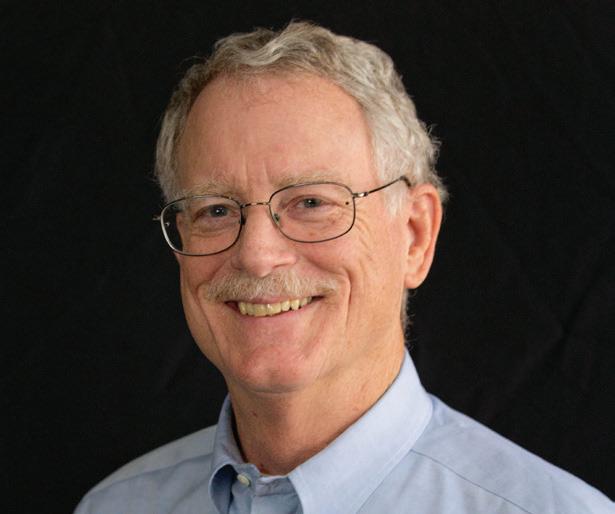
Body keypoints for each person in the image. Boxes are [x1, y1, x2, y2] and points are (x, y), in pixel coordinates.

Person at [75, 21, 614, 513]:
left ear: (414, 236)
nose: (257, 255)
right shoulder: (115, 506)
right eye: (215, 210)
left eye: (311, 202)